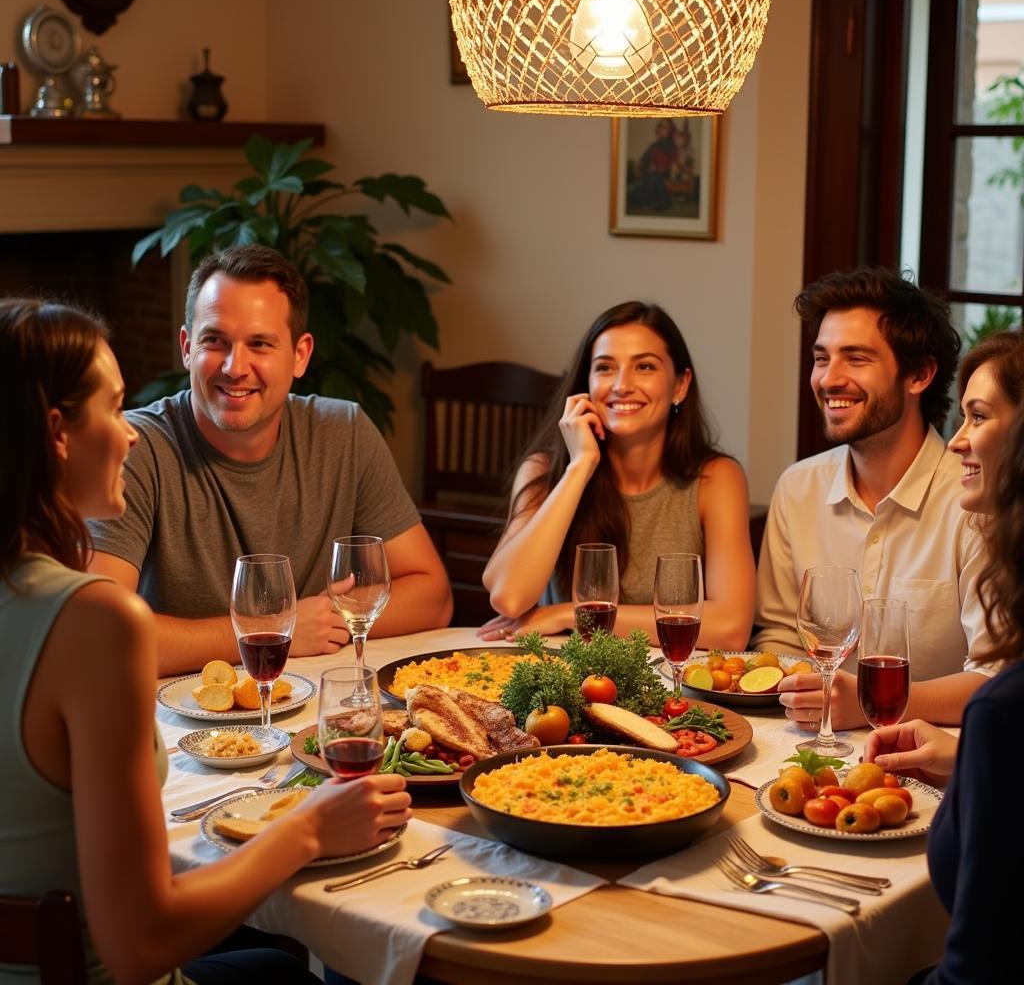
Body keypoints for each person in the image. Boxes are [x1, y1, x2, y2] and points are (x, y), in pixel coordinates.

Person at [0, 298, 413, 984]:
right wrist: (310, 830)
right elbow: (140, 944)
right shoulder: (95, 620)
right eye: (112, 406)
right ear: (58, 434)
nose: (129, 435)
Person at [87, 245, 452, 676]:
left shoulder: (344, 431)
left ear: (300, 355)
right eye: (214, 341)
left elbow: (433, 596)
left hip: (312, 700)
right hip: (181, 719)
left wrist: (325, 620)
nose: (235, 366)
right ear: (187, 347)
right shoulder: (135, 445)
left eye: (259, 343)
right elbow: (99, 633)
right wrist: (275, 630)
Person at [754, 268, 997, 732]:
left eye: (857, 358)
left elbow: (994, 677)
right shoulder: (797, 488)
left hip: (935, 761)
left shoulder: (976, 504)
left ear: (919, 375)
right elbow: (781, 634)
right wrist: (805, 688)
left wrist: (880, 701)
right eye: (821, 358)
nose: (829, 379)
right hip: (810, 742)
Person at [862, 332, 1024, 983]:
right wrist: (970, 759)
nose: (955, 440)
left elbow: (975, 970)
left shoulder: (1003, 711)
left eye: (979, 418)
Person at [478, 301, 755, 647]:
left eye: (644, 366)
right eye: (605, 368)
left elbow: (731, 627)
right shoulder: (544, 471)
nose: (622, 385)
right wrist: (580, 467)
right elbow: (509, 597)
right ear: (586, 385)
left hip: (671, 683)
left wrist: (572, 613)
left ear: (680, 385)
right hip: (566, 680)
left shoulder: (716, 478)